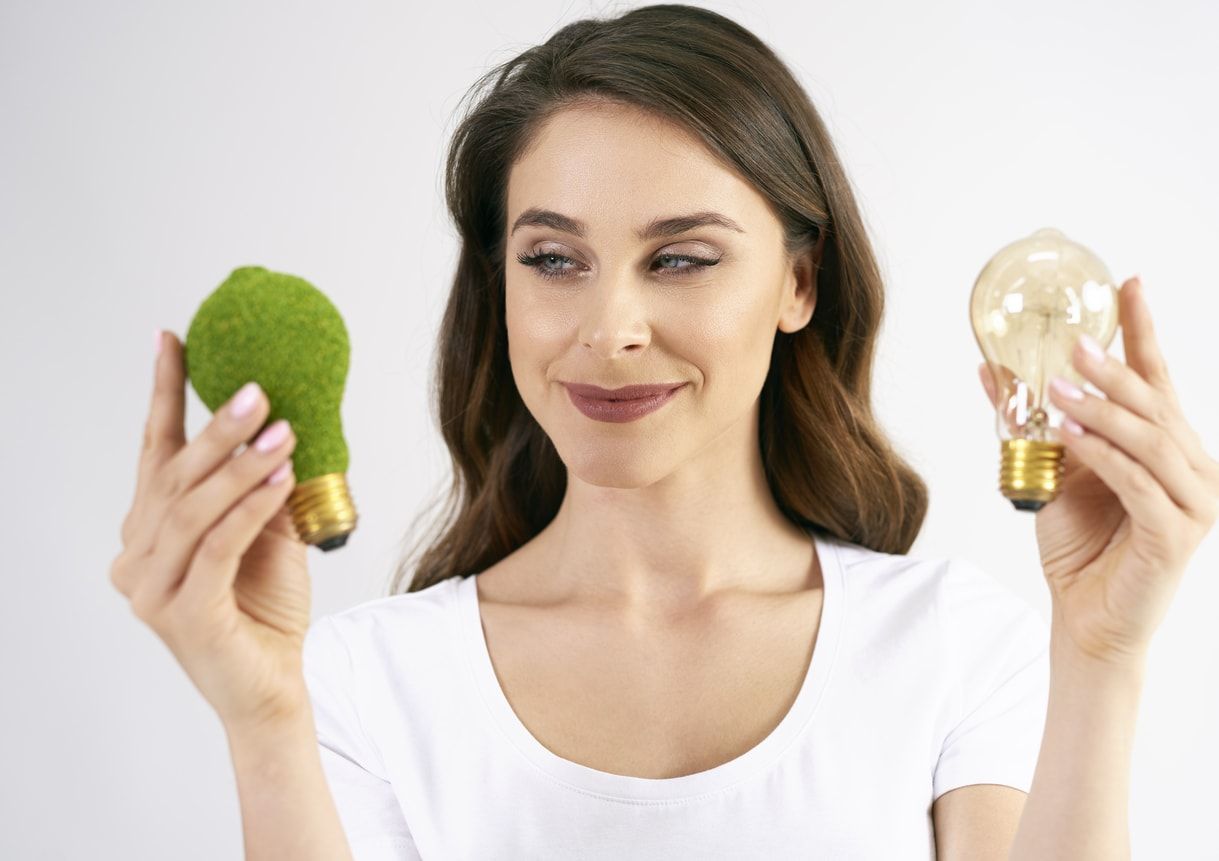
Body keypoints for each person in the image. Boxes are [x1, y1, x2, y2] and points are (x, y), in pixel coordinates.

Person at [113, 4, 1218, 859]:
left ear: (797, 281)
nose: (611, 330)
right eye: (553, 259)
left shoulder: (952, 648)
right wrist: (263, 722)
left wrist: (1101, 662)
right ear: (496, 285)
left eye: (680, 257)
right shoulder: (357, 682)